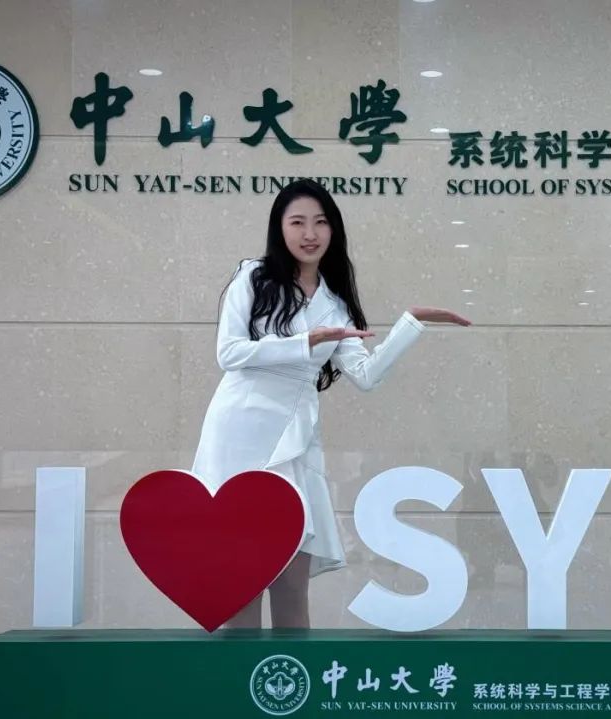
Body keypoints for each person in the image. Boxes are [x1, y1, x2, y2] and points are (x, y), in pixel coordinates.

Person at [190, 179, 471, 629]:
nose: (310, 233)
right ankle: (239, 675)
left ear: (333, 230)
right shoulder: (253, 277)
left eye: (320, 222)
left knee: (292, 584)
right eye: (297, 222)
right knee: (241, 581)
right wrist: (304, 342)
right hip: (239, 431)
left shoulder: (336, 305)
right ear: (279, 228)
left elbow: (366, 376)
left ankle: (293, 676)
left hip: (296, 439)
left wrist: (410, 323)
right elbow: (229, 353)